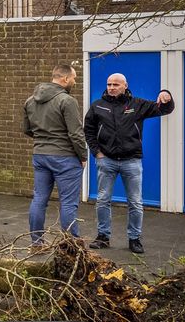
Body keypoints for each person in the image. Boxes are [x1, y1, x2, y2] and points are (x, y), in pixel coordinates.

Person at [84, 72, 174, 253]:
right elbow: (88, 130)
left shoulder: (137, 105)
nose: (111, 87)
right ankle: (103, 237)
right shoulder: (98, 106)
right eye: (109, 84)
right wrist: (97, 152)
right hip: (106, 161)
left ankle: (134, 239)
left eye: (115, 84)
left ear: (125, 85)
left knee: (135, 202)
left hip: (131, 161)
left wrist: (166, 95)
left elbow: (164, 109)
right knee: (102, 200)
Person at [23, 63, 88, 250]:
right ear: (65, 78)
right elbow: (75, 134)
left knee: (39, 199)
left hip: (40, 155)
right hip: (65, 158)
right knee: (68, 202)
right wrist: (83, 155)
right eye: (74, 78)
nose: (75, 81)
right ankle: (71, 246)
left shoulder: (30, 101)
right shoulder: (67, 101)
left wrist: (44, 140)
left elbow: (27, 129)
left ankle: (36, 243)